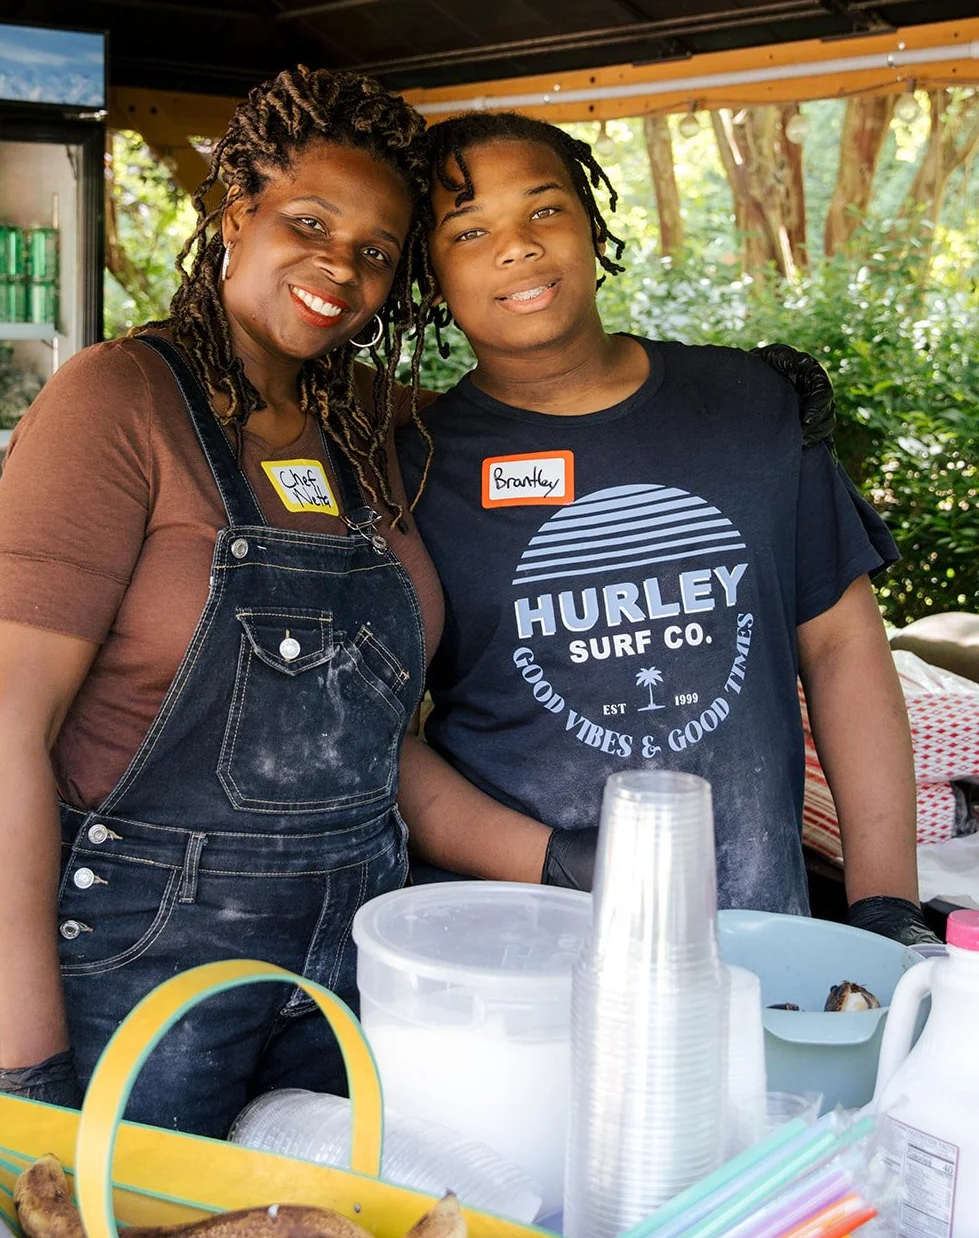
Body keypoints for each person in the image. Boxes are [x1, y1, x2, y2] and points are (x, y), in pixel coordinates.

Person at [0, 66, 444, 1132]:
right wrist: (32, 1066)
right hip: (148, 966)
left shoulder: (371, 424)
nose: (340, 269)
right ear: (238, 215)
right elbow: (0, 734)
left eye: (375, 252)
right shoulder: (117, 401)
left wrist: (718, 396)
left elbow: (553, 412)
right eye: (309, 223)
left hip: (351, 965)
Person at [396, 111, 936, 946]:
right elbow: (380, 742)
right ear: (430, 277)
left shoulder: (746, 405)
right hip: (520, 943)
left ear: (591, 224)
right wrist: (556, 863)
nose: (518, 247)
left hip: (756, 936)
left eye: (544, 210)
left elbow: (841, 649)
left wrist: (885, 908)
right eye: (469, 232)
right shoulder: (415, 471)